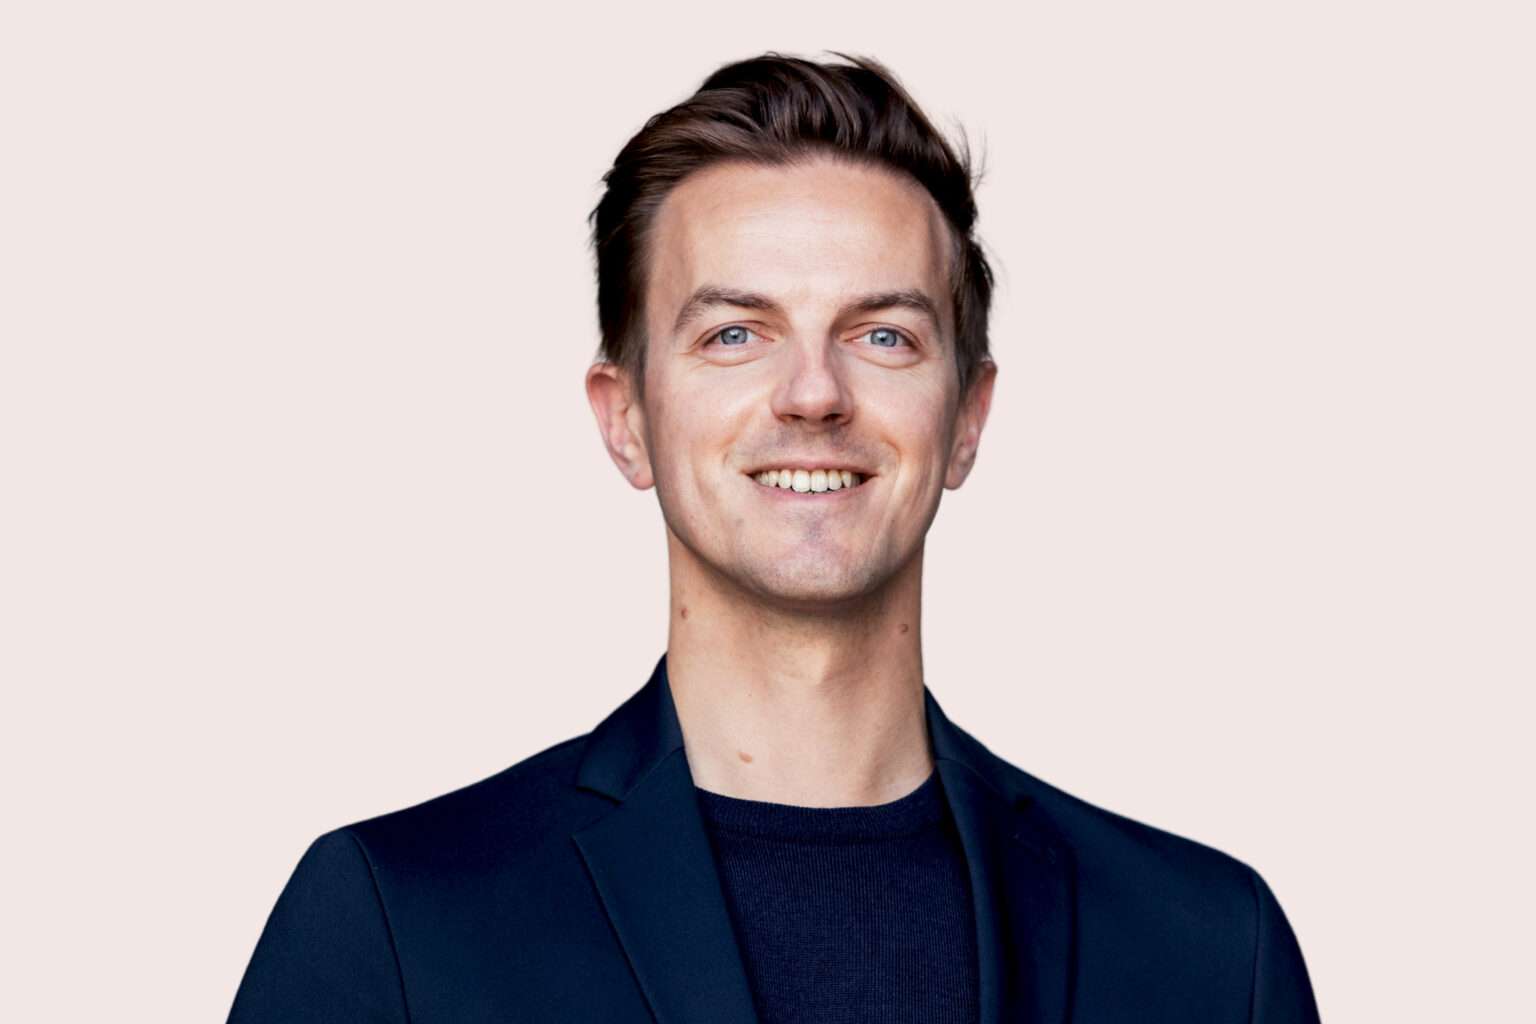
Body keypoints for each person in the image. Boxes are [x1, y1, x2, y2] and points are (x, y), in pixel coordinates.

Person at [226, 51, 1322, 1023]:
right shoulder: (400, 924)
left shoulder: (1210, 953)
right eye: (734, 334)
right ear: (625, 417)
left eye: (883, 335)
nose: (812, 393)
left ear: (967, 419)